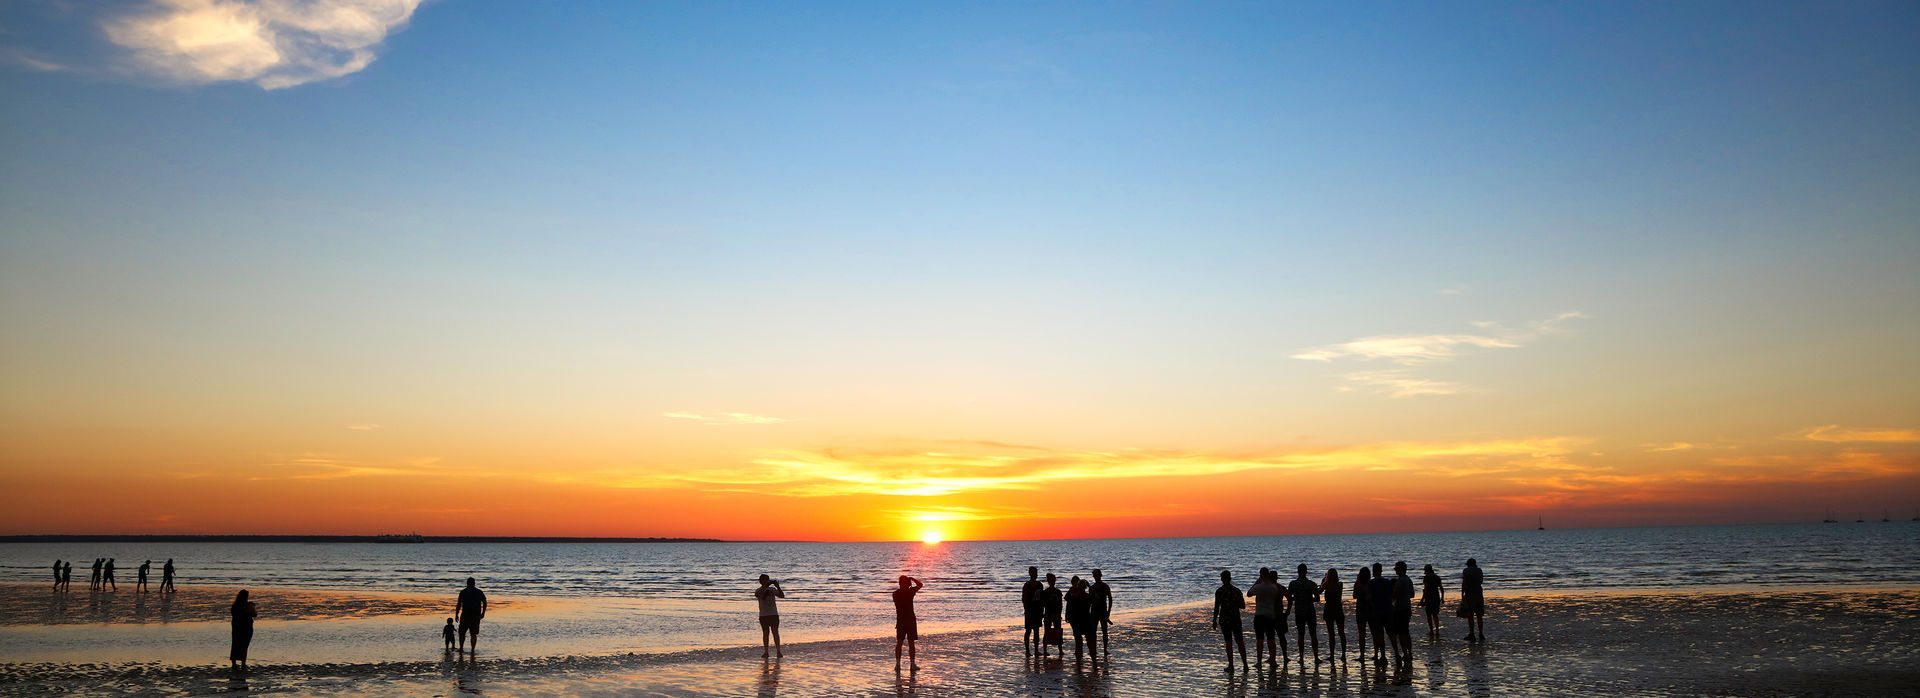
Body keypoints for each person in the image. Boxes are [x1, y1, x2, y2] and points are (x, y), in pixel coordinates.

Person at [1245, 567, 1284, 668]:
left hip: (1259, 615)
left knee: (1260, 639)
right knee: (1271, 639)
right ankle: (1273, 660)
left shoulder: (1259, 587)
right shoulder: (1273, 587)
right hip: (1270, 614)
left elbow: (1249, 594)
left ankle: (1259, 662)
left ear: (1261, 575)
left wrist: (1256, 583)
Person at [1210, 570, 1248, 672]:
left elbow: (1216, 607)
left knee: (1228, 642)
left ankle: (1231, 665)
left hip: (1224, 620)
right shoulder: (1236, 591)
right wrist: (1234, 603)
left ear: (1222, 579)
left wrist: (1214, 620)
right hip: (1235, 618)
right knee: (1240, 641)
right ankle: (1245, 664)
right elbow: (1243, 606)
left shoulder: (1219, 591)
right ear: (1230, 578)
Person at [1289, 564, 1322, 664]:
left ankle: (1301, 658)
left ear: (1297, 572)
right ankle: (1316, 657)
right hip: (1310, 611)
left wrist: (1296, 600)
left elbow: (1289, 598)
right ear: (1306, 571)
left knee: (1300, 634)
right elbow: (1317, 599)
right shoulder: (1311, 584)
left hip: (1299, 611)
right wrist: (1308, 598)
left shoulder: (1293, 584)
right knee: (1313, 634)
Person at [891, 575, 923, 672]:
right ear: (907, 583)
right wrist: (912, 578)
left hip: (900, 620)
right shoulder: (910, 592)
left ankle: (898, 664)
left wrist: (909, 581)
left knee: (899, 642)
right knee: (911, 643)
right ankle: (912, 664)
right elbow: (920, 584)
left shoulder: (895, 594)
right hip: (910, 620)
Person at [1366, 563, 1393, 663]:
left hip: (1377, 611)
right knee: (1391, 633)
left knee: (1380, 634)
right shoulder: (1387, 582)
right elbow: (1392, 594)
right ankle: (1397, 654)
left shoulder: (1371, 583)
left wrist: (1371, 604)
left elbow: (1369, 597)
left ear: (1374, 571)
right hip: (1388, 610)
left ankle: (1383, 655)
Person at [1064, 576, 1095, 662]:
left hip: (1077, 620)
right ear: (1085, 587)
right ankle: (1094, 663)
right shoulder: (1088, 597)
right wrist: (1090, 587)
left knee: (1078, 642)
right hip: (1086, 620)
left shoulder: (1073, 597)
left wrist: (1068, 616)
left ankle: (1078, 664)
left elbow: (1066, 599)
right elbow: (1095, 597)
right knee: (1089, 642)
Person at [755, 574, 785, 658]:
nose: (766, 582)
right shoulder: (758, 590)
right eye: (764, 580)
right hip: (764, 615)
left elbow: (782, 596)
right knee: (766, 633)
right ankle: (766, 652)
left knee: (775, 633)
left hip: (773, 614)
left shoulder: (772, 589)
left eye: (767, 580)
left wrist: (778, 587)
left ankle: (778, 651)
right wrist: (765, 587)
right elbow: (760, 596)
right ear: (761, 581)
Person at [454, 577, 487, 654]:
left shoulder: (463, 592)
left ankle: (461, 648)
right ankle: (472, 650)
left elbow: (459, 604)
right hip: (475, 615)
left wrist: (456, 614)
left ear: (467, 583)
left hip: (465, 614)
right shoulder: (479, 592)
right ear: (474, 583)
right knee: (473, 634)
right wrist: (483, 613)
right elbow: (485, 602)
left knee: (462, 633)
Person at [1392, 561, 1415, 663]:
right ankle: (1409, 652)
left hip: (1400, 608)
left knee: (1401, 633)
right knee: (1406, 631)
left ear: (1401, 569)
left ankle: (1405, 654)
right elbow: (1412, 594)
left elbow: (1395, 594)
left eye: (1396, 568)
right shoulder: (1409, 580)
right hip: (1407, 607)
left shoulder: (1400, 581)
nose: (1395, 570)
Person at [1320, 568, 1346, 660]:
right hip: (1338, 608)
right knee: (1341, 632)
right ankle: (1343, 654)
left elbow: (1319, 592)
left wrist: (1323, 581)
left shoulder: (1326, 584)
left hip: (1329, 609)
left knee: (1331, 634)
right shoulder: (1340, 584)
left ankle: (1332, 655)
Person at [230, 590, 258, 671]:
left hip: (236, 627)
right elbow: (255, 614)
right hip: (246, 627)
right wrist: (253, 606)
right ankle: (243, 664)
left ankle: (234, 664)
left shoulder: (235, 605)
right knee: (244, 645)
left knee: (235, 644)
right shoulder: (247, 606)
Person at [1460, 558, 1486, 642]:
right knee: (1479, 615)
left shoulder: (1466, 571)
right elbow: (1481, 581)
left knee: (1470, 615)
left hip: (1470, 594)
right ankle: (1481, 634)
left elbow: (1464, 583)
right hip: (1479, 593)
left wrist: (1462, 594)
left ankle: (1472, 634)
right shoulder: (1479, 570)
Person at [1089, 568, 1113, 654]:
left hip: (1103, 611)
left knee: (1104, 631)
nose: (1096, 577)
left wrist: (1108, 612)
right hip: (1094, 612)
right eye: (1095, 576)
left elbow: (1110, 599)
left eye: (1097, 575)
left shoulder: (1105, 586)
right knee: (1093, 632)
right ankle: (1094, 649)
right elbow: (1090, 601)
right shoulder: (1091, 588)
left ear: (1100, 575)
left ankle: (1105, 650)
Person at [1020, 566, 1043, 656]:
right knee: (1028, 630)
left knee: (1036, 631)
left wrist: (1042, 611)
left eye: (1036, 573)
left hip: (1038, 610)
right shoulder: (1027, 585)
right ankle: (1027, 651)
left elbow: (1042, 599)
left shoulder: (1040, 585)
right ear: (1030, 573)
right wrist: (1026, 610)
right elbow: (1024, 599)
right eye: (1033, 573)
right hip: (1029, 611)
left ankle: (1036, 650)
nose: (1035, 575)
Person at [1040, 573, 1064, 657]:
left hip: (1054, 614)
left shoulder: (1057, 592)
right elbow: (1043, 604)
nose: (1052, 581)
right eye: (1051, 580)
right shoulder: (1047, 592)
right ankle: (1046, 650)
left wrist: (1059, 613)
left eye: (1053, 580)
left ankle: (1060, 650)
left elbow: (1060, 604)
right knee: (1048, 631)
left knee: (1057, 631)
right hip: (1049, 614)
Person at [1352, 566, 1371, 662]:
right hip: (1370, 608)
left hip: (1361, 609)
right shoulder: (1371, 584)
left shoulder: (1358, 584)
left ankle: (1362, 655)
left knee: (1361, 634)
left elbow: (1354, 595)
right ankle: (1376, 653)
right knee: (1374, 632)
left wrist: (1357, 581)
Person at [1421, 564, 1445, 636]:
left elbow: (1426, 589)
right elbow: (1441, 588)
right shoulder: (1437, 577)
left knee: (1429, 615)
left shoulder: (1426, 578)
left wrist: (1422, 600)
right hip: (1436, 597)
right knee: (1435, 615)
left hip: (1429, 598)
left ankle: (1431, 630)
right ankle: (1437, 630)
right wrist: (1442, 597)